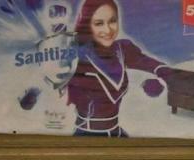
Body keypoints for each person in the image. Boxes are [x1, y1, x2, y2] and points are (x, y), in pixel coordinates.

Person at [67, 0, 172, 137]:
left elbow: (151, 64)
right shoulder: (77, 56)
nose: (108, 30)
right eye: (99, 23)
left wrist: (161, 78)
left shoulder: (123, 49)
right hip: (87, 137)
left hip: (116, 133)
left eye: (112, 21)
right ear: (88, 26)